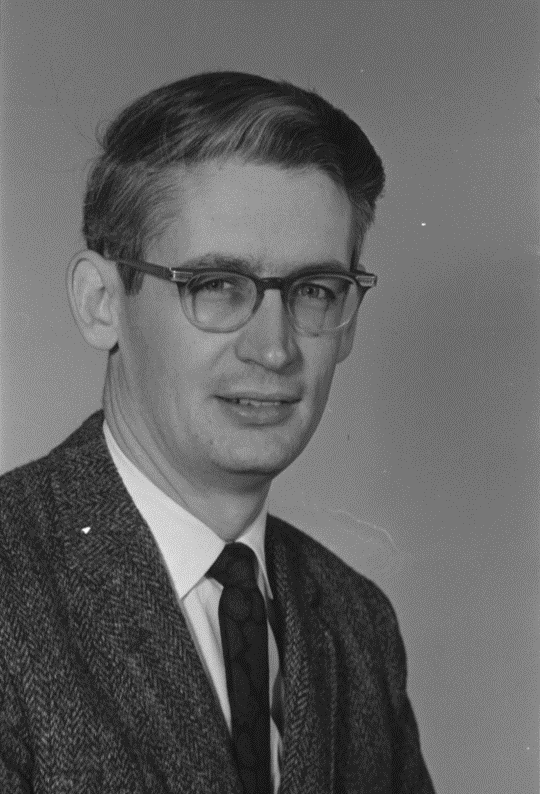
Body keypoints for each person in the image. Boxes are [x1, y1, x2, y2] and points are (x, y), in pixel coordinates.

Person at [0, 71, 435, 793]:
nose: (275, 350)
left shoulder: (358, 623)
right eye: (218, 286)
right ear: (102, 302)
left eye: (314, 291)